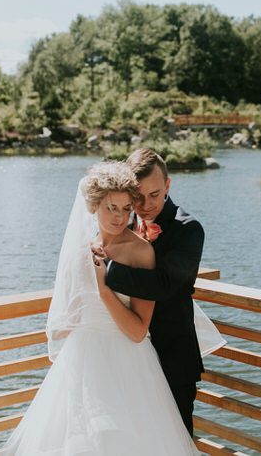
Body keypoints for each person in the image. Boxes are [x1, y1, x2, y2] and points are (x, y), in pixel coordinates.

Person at [0, 161, 222, 455]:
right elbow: (72, 314)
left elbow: (139, 327)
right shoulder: (83, 251)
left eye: (125, 208)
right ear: (93, 207)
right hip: (83, 363)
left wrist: (105, 289)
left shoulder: (143, 249)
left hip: (131, 363)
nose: (120, 217)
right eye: (111, 208)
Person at [96, 148, 211, 435]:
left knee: (174, 441)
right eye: (137, 197)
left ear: (168, 186)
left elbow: (163, 285)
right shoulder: (122, 221)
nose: (145, 205)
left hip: (171, 356)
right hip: (126, 360)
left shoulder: (189, 230)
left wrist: (106, 269)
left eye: (155, 195)